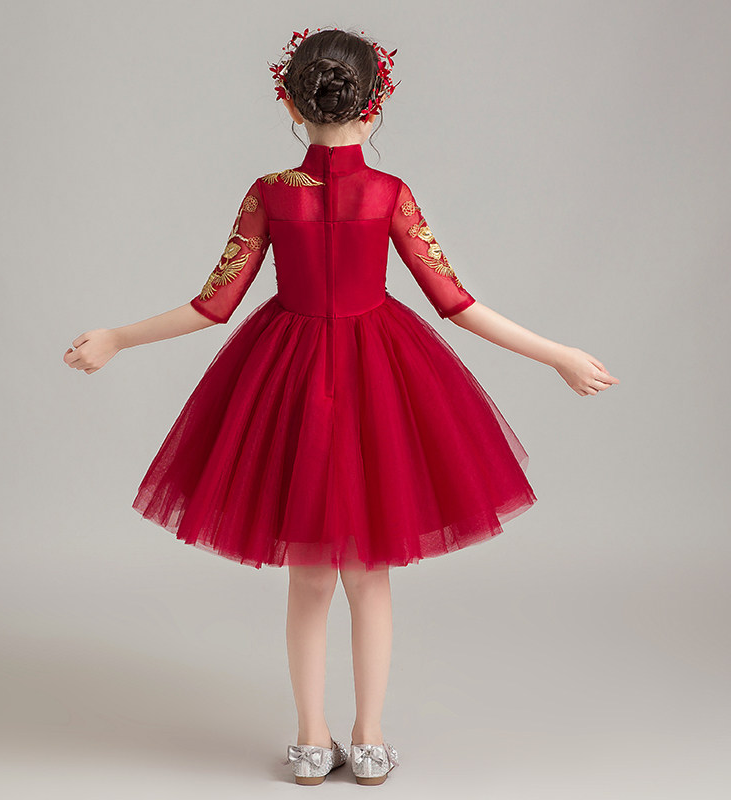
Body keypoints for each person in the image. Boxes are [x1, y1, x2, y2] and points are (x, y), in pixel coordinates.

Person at [63, 26, 619, 786]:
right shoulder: (388, 193)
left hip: (286, 378)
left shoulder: (269, 193)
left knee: (310, 578)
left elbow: (213, 304)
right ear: (374, 105)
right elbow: (456, 302)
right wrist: (556, 354)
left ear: (291, 104)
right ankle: (369, 736)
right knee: (368, 573)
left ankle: (310, 739)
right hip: (376, 376)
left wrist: (118, 338)